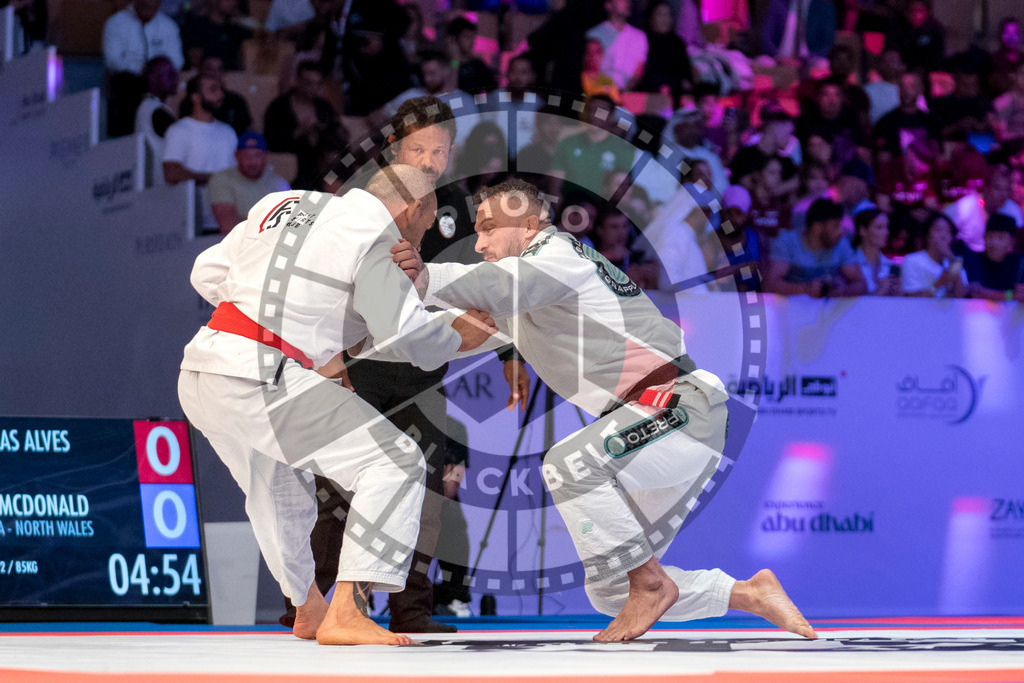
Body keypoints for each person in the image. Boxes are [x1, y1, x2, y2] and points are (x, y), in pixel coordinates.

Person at [389, 177, 819, 642]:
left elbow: (498, 285)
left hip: (678, 407)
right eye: (478, 231)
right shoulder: (521, 295)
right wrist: (357, 345)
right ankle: (749, 593)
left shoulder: (558, 255)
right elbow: (447, 341)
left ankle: (651, 584)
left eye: (490, 227)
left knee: (567, 465)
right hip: (653, 430)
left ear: (531, 226)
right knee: (611, 588)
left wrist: (427, 276)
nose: (480, 242)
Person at [178, 165, 498, 646]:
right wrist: (460, 337)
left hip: (204, 368)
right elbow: (407, 334)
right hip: (261, 374)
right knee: (395, 461)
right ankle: (346, 609)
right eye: (430, 214)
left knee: (276, 488)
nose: (429, 227)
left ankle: (309, 607)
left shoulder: (281, 204)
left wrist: (279, 321)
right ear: (413, 208)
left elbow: (206, 272)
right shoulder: (375, 239)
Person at [163, 73, 239, 234]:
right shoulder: (179, 130)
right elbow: (171, 173)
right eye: (213, 90)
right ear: (195, 97)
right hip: (195, 222)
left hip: (228, 221)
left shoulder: (228, 131)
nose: (221, 94)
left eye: (220, 89)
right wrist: (213, 179)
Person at [102, 0, 184, 137]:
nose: (149, 8)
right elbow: (112, 60)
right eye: (145, 5)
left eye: (153, 6)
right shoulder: (116, 23)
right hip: (129, 84)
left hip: (161, 84)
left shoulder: (169, 26)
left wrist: (156, 69)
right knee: (125, 82)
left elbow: (177, 61)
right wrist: (142, 69)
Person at [763, 197, 867, 297]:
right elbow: (770, 285)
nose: (841, 231)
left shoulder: (841, 244)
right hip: (788, 312)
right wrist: (806, 289)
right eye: (835, 226)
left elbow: (861, 284)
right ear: (817, 227)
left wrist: (840, 291)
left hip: (826, 314)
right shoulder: (787, 242)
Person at [263, 61, 340, 190]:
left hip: (323, 168)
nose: (313, 88)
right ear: (297, 81)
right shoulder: (279, 107)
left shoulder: (324, 107)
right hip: (290, 169)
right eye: (309, 83)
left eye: (317, 84)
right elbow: (270, 142)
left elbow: (338, 136)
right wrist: (299, 132)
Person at [209, 132, 292, 235]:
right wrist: (272, 225)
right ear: (236, 156)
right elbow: (228, 226)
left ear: (266, 155)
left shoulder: (279, 184)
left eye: (257, 155)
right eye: (247, 156)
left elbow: (289, 224)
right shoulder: (222, 179)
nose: (252, 162)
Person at [134, 56, 179, 186]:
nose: (176, 78)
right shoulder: (154, 110)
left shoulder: (146, 106)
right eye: (170, 74)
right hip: (159, 180)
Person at [586, 0, 648, 92]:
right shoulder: (594, 35)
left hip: (627, 95)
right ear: (608, 5)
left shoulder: (640, 37)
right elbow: (591, 72)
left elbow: (638, 72)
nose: (627, 2)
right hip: (599, 93)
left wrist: (623, 92)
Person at [901, 212, 967, 297]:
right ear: (927, 235)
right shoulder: (912, 261)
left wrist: (953, 263)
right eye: (938, 230)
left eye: (948, 231)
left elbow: (962, 298)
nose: (943, 236)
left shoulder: (955, 263)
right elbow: (911, 298)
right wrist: (940, 283)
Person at [963, 214, 1024, 302]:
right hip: (978, 314)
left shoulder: (1020, 264)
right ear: (984, 237)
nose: (994, 243)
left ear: (1011, 242)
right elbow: (975, 292)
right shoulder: (973, 258)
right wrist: (1011, 295)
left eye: (1000, 238)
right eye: (990, 236)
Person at [851, 208, 899, 295]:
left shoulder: (891, 266)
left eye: (887, 227)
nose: (886, 232)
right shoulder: (850, 264)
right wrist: (882, 290)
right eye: (879, 228)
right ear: (862, 231)